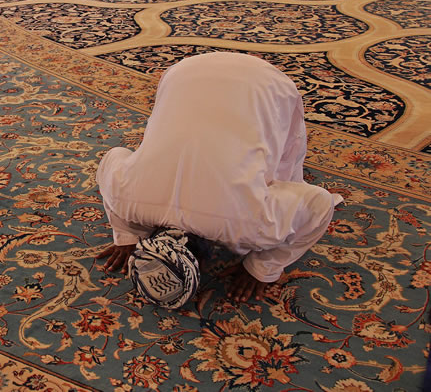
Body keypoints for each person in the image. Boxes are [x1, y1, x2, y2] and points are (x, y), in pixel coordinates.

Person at [96, 52, 343, 308]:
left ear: (205, 263)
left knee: (276, 166)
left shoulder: (250, 225)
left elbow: (319, 205)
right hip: (183, 71)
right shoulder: (126, 199)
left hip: (268, 84)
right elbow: (112, 157)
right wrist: (127, 235)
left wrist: (261, 269)